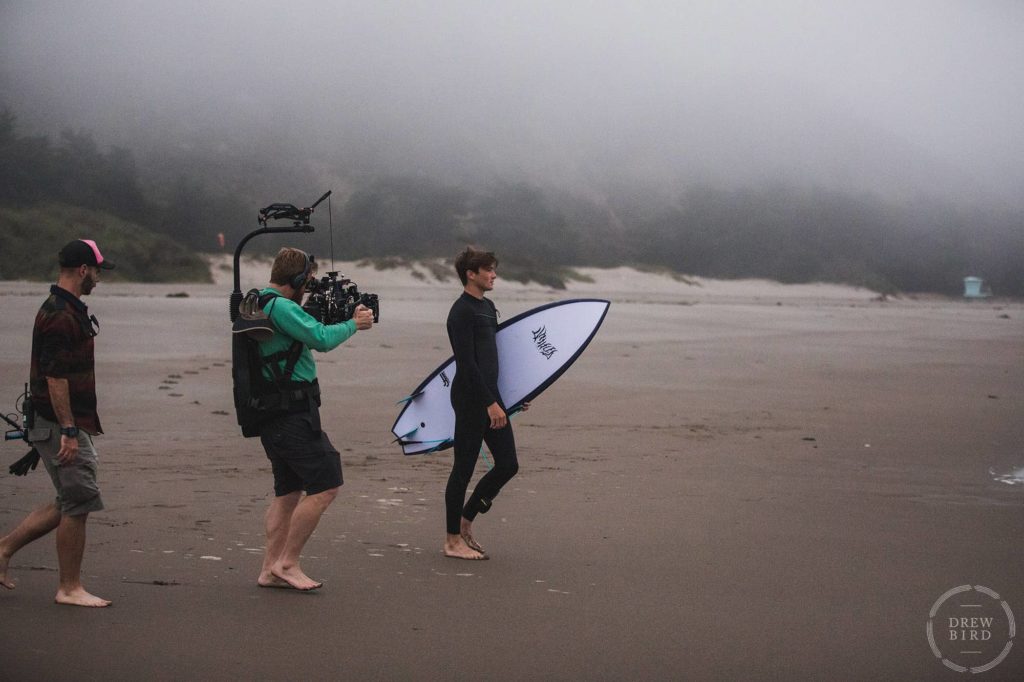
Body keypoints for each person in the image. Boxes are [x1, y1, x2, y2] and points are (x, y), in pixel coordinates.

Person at [0, 239, 115, 607]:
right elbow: (54, 377)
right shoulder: (61, 315)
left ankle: (2, 551)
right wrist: (67, 430)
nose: (98, 278)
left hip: (63, 421)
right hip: (59, 423)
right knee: (78, 501)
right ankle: (69, 587)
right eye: (97, 271)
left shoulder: (66, 308)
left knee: (70, 497)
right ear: (83, 270)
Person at [254, 247, 374, 591]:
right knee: (326, 483)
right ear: (295, 279)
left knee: (288, 491)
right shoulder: (281, 307)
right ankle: (287, 563)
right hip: (291, 412)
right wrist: (354, 323)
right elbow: (320, 338)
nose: (309, 287)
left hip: (273, 411)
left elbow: (305, 330)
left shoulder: (260, 300)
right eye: (307, 280)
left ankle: (268, 569)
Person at [444, 246, 527, 560]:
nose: (494, 275)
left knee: (508, 464)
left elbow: (494, 358)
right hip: (470, 398)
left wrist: (513, 397)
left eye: (494, 269)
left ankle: (466, 520)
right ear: (471, 274)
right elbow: (467, 364)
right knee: (462, 470)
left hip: (492, 396)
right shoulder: (460, 312)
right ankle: (451, 541)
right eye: (489, 270)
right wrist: (489, 403)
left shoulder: (488, 307)